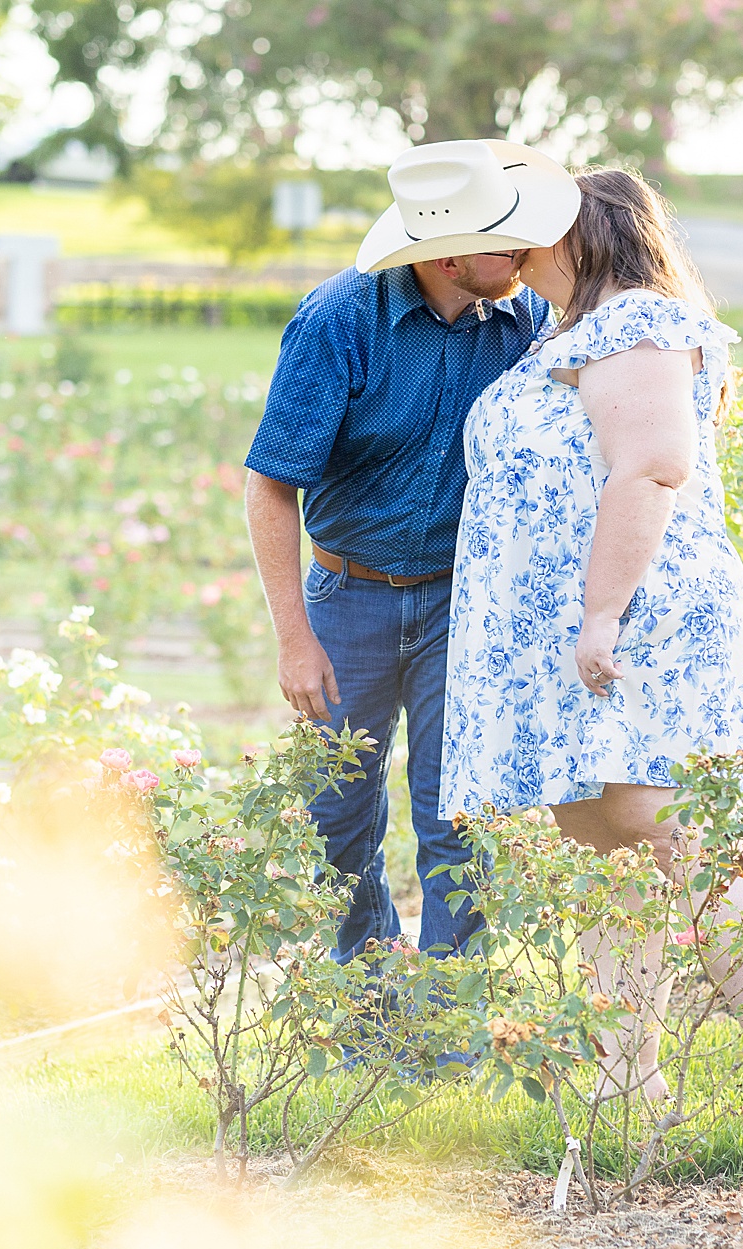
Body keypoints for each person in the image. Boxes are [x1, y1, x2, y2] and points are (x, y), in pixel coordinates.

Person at [439, 168, 743, 1131]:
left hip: (638, 623)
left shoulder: (636, 322)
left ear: (575, 233)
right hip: (576, 632)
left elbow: (653, 465)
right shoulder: (562, 331)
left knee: (685, 838)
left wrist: (599, 614)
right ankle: (625, 1084)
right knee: (603, 850)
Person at [244, 140, 580, 961]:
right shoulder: (340, 320)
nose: (527, 252)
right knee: (337, 818)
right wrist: (295, 637)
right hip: (346, 601)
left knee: (458, 813)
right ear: (450, 254)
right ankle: (367, 999)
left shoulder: (528, 323)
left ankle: (451, 1021)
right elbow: (269, 485)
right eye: (507, 238)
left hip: (461, 605)